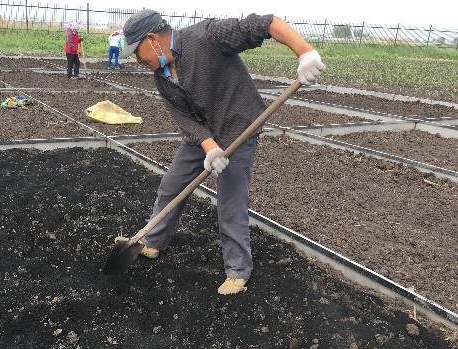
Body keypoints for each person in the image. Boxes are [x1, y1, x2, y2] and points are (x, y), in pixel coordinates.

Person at [121, 10, 325, 295]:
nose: (137, 60)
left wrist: (305, 53)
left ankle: (238, 269)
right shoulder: (162, 76)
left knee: (230, 200)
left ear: (153, 39)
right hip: (203, 134)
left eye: (137, 51)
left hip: (238, 128)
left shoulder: (207, 37)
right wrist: (210, 147)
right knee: (171, 185)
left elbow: (265, 24)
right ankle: (153, 240)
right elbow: (184, 118)